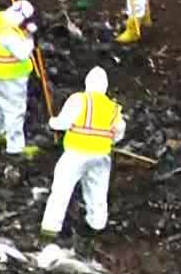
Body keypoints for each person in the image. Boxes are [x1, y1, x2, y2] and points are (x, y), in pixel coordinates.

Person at [41, 66, 126, 239]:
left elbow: (63, 122)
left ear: (87, 83)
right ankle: (97, 225)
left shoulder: (80, 100)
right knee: (98, 191)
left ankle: (50, 227)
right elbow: (118, 132)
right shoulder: (113, 108)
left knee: (62, 190)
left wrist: (52, 122)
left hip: (76, 154)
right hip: (101, 156)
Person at [0, 0, 39, 158]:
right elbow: (22, 53)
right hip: (9, 77)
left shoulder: (0, 18)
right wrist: (30, 38)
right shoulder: (8, 34)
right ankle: (15, 147)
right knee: (15, 110)